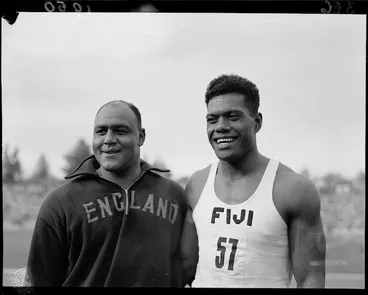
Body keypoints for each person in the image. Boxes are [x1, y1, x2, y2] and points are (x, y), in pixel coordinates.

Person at [180, 74, 326, 288]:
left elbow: (311, 277)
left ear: (257, 122)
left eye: (232, 116)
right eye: (212, 119)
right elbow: (186, 268)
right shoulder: (197, 185)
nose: (220, 126)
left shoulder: (292, 188)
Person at [25, 100, 187, 287]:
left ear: (141, 136)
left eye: (120, 131)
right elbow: (38, 281)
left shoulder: (174, 195)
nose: (108, 139)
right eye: (101, 131)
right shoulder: (61, 202)